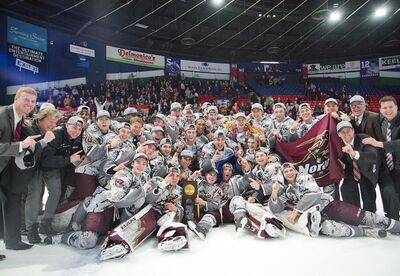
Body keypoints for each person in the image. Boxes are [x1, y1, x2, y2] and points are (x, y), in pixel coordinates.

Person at [269, 162, 400, 238]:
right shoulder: (286, 190)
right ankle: (366, 231)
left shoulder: (305, 178)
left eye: (291, 170)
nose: (289, 173)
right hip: (315, 214)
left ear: (296, 171)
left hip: (329, 205)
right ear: (283, 175)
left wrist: (296, 211)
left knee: (365, 217)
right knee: (332, 229)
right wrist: (274, 192)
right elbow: (276, 208)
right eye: (286, 171)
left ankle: (397, 227)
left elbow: (314, 194)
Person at [0, 87, 41, 250]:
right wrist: (20, 146)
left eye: (32, 101)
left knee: (11, 201)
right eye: (26, 100)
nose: (29, 104)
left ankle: (12, 241)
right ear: (16, 99)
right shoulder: (2, 115)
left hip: (5, 168)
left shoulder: (21, 119)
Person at [39, 116, 84, 235]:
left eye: (79, 129)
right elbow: (46, 160)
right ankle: (45, 223)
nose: (76, 131)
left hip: (63, 169)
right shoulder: (57, 135)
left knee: (63, 191)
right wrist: (69, 159)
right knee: (55, 192)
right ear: (66, 125)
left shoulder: (77, 139)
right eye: (74, 127)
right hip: (48, 168)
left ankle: (53, 219)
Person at [23, 107, 60, 243]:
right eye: (50, 121)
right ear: (40, 118)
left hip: (46, 165)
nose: (53, 125)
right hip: (32, 167)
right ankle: (31, 229)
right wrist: (44, 141)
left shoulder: (51, 131)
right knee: (35, 192)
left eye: (55, 122)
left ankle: (46, 223)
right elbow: (29, 155)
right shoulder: (29, 129)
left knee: (55, 190)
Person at [363, 96, 400, 209]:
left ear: (396, 107)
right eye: (385, 108)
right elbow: (361, 116)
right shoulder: (379, 120)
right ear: (380, 110)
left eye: (391, 107)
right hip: (386, 166)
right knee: (389, 194)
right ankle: (392, 223)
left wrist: (379, 144)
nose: (388, 110)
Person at [336, 121, 379, 212]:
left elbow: (373, 155)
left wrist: (354, 153)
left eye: (348, 131)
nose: (346, 134)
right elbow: (343, 162)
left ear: (353, 131)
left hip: (367, 171)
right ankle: (354, 214)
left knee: (367, 191)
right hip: (352, 172)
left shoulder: (364, 138)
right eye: (342, 132)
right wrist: (342, 165)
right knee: (345, 189)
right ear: (339, 134)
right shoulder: (338, 144)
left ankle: (370, 216)